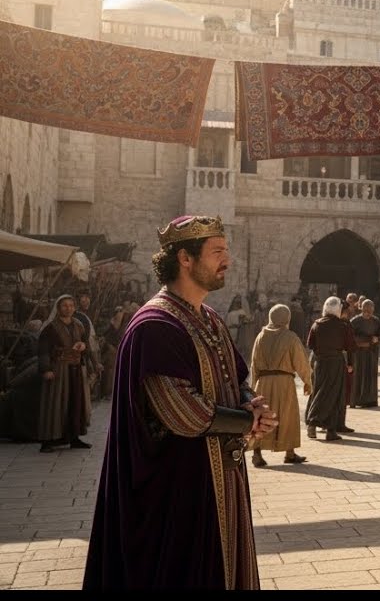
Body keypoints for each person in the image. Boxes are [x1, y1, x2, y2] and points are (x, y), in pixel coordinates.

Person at [83, 215, 278, 589]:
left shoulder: (211, 320)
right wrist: (248, 421)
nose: (227, 260)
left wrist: (252, 402)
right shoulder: (155, 326)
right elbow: (182, 411)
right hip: (176, 491)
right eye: (217, 251)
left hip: (216, 477)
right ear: (185, 259)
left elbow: (237, 377)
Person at [249, 303, 311, 468]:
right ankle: (289, 453)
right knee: (287, 416)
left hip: (263, 383)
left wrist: (252, 387)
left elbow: (253, 364)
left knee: (264, 416)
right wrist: (308, 381)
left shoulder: (260, 336)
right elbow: (301, 361)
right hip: (284, 383)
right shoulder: (290, 337)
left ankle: (257, 453)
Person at [36, 294, 93, 453]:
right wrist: (46, 369)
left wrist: (83, 346)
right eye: (64, 306)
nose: (68, 308)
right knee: (55, 404)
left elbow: (86, 344)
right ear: (59, 308)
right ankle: (47, 441)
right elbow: (43, 351)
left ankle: (74, 438)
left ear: (74, 308)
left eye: (70, 305)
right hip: (58, 370)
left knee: (75, 403)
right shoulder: (50, 328)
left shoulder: (79, 325)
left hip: (75, 369)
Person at [304, 296, 355, 441]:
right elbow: (350, 346)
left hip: (320, 363)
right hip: (336, 363)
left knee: (319, 391)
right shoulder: (342, 326)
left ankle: (318, 427)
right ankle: (327, 429)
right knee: (335, 395)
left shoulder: (317, 324)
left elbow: (310, 344)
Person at [349, 299, 380, 408]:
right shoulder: (355, 321)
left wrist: (377, 339)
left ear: (373, 309)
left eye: (370, 309)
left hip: (371, 353)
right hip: (358, 354)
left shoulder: (376, 321)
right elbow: (350, 337)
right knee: (358, 376)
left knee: (370, 376)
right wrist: (366, 340)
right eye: (365, 309)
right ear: (361, 308)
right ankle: (356, 400)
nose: (367, 312)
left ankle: (370, 400)